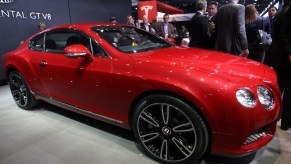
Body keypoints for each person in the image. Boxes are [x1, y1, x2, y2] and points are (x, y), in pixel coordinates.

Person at [267, 0, 291, 131]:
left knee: (278, 86)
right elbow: (285, 34)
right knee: (288, 87)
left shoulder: (280, 12)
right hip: (284, 55)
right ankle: (286, 120)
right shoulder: (286, 12)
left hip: (276, 53)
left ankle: (272, 117)